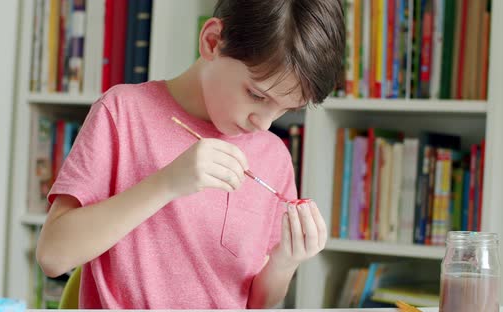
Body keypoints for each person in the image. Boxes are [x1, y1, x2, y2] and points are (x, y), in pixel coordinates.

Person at [36, 0, 345, 309]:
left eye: (287, 109)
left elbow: (257, 303)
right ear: (211, 42)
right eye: (256, 95)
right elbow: (53, 256)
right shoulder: (122, 113)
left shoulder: (274, 158)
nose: (264, 122)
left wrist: (284, 262)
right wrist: (167, 183)